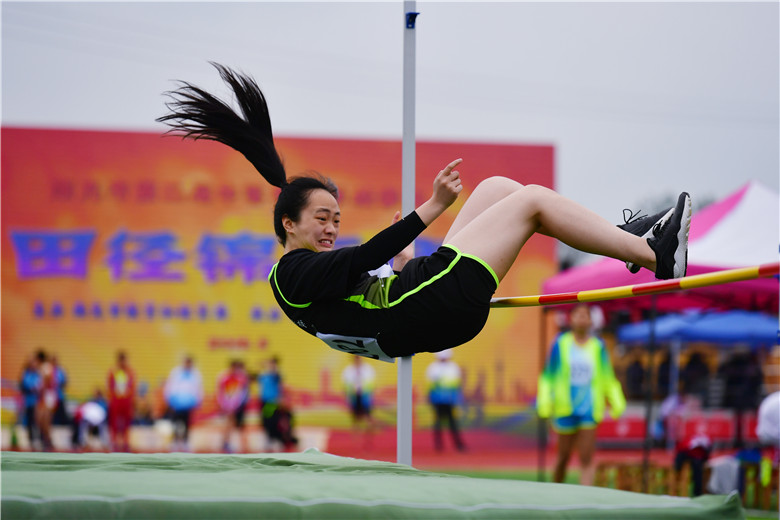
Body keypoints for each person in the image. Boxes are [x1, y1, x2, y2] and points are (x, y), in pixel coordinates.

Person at [157, 62, 692, 361]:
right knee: (531, 203)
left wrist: (402, 260)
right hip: (425, 306)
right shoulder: (293, 274)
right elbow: (363, 258)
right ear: (288, 225)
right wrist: (432, 207)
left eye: (335, 219)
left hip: (416, 303)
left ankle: (626, 240)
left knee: (500, 187)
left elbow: (361, 295)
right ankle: (653, 253)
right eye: (321, 219)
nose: (331, 228)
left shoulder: (309, 281)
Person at [537, 304, 626, 485]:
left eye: (585, 315)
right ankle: (556, 490)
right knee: (563, 457)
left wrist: (616, 401)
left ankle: (586, 498)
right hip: (565, 408)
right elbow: (548, 375)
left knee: (586, 457)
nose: (582, 319)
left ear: (590, 320)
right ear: (571, 319)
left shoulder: (598, 346)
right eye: (578, 315)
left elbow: (607, 376)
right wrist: (545, 401)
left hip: (589, 408)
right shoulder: (560, 343)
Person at [425, 349, 467, 452]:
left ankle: (458, 445)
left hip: (449, 400)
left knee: (452, 422)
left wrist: (456, 398)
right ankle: (439, 445)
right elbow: (430, 385)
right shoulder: (433, 368)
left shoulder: (453, 367)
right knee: (438, 422)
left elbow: (456, 385)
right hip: (438, 401)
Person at [163, 356, 203, 452]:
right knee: (176, 424)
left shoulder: (196, 374)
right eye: (186, 362)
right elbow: (169, 386)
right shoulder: (176, 373)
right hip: (176, 404)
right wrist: (169, 400)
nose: (188, 365)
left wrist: (198, 401)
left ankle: (185, 442)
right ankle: (175, 441)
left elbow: (199, 389)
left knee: (187, 424)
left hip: (188, 405)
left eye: (189, 363)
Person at [258, 357, 297, 451]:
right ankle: (270, 439)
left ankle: (277, 440)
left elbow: (278, 378)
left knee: (273, 421)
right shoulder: (264, 376)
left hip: (272, 403)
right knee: (266, 421)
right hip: (265, 402)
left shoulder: (276, 375)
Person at [341, 356, 377, 450]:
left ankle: (368, 441)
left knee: (368, 419)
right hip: (354, 397)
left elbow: (371, 384)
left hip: (365, 397)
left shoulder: (367, 369)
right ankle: (356, 443)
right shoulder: (348, 370)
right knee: (355, 420)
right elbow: (345, 386)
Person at [216, 359, 250, 453]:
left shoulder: (241, 378)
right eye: (234, 368)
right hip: (229, 407)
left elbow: (243, 394)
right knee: (229, 424)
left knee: (238, 425)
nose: (235, 370)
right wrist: (224, 405)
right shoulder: (224, 378)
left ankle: (239, 444)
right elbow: (221, 393)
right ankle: (226, 443)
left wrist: (237, 405)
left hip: (238, 406)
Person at [107, 351, 136, 452]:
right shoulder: (113, 371)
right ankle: (114, 442)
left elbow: (132, 387)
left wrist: (130, 400)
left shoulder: (130, 372)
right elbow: (110, 386)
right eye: (121, 360)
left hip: (126, 401)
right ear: (118, 361)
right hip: (116, 401)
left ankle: (125, 443)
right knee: (114, 423)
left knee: (126, 423)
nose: (123, 362)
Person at [19, 354, 42, 450]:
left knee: (37, 421)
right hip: (28, 402)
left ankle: (39, 440)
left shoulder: (37, 374)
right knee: (29, 421)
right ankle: (31, 440)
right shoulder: (26, 373)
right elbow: (25, 385)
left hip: (37, 402)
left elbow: (39, 386)